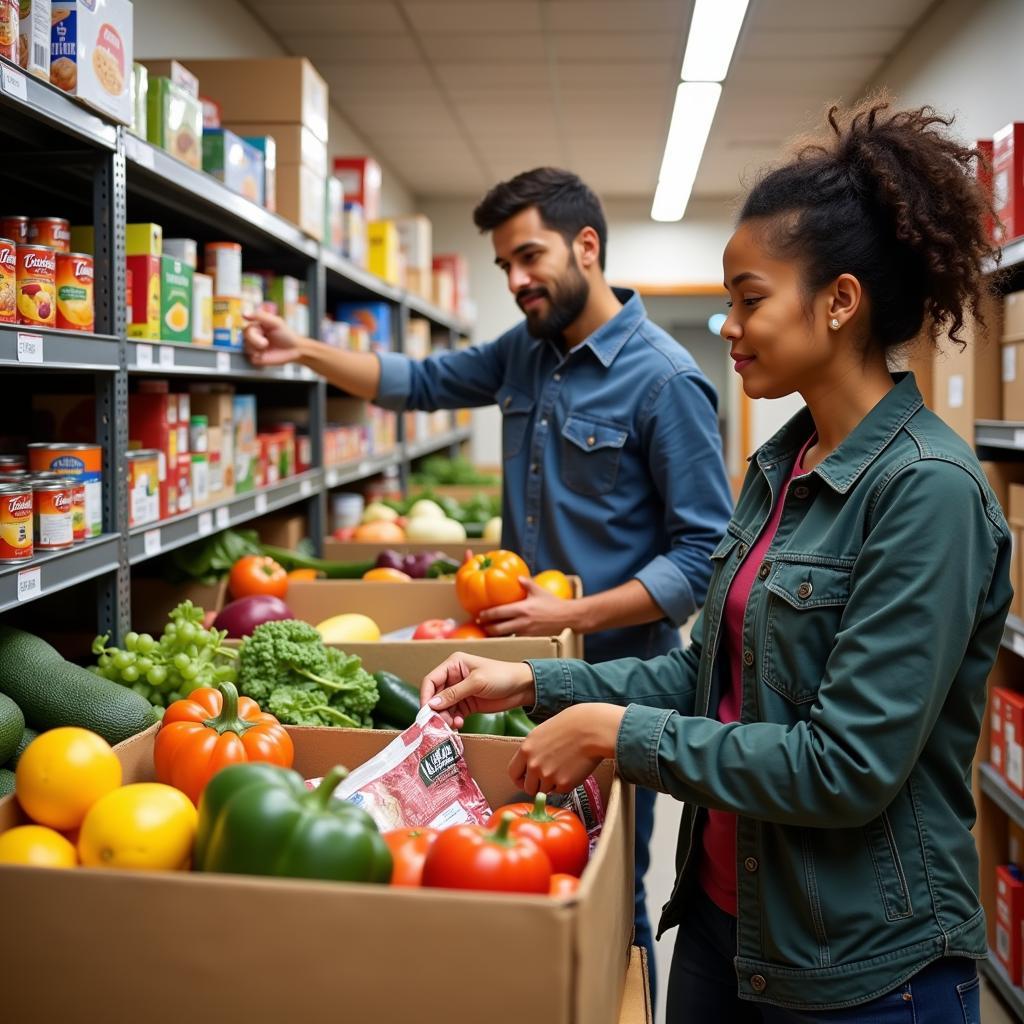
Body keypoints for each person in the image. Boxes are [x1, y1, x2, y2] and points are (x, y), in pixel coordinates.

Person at [419, 98, 1012, 1020]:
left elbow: (845, 765)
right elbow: (711, 669)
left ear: (841, 301)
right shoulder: (782, 465)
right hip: (725, 924)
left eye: (749, 300)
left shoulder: (928, 493)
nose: (727, 327)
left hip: (861, 969)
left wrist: (617, 735)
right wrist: (537, 684)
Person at [242, 167, 734, 993]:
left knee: (613, 879)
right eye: (504, 264)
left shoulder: (666, 379)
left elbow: (700, 557)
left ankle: (625, 999)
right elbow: (419, 383)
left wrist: (573, 607)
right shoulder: (527, 353)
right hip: (519, 668)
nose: (514, 281)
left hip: (621, 678)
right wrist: (302, 349)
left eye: (528, 256)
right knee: (530, 862)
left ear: (587, 245)